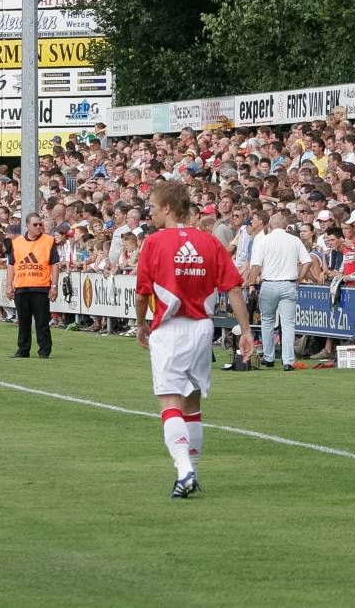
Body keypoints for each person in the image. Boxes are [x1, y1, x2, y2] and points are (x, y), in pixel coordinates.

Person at [135, 181, 254, 499]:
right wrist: (246, 331)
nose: (151, 212)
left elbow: (143, 291)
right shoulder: (209, 242)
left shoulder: (154, 242)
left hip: (170, 330)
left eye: (153, 206)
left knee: (170, 402)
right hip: (203, 328)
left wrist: (140, 324)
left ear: (167, 208)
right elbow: (234, 289)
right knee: (193, 404)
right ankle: (193, 472)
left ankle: (184, 470)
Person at [248, 211, 314, 371]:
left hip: (269, 284)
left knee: (267, 321)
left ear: (270, 225)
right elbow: (307, 262)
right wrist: (298, 278)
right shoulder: (294, 240)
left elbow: (256, 265)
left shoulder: (264, 240)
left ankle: (269, 357)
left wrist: (251, 283)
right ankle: (288, 361)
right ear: (285, 225)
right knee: (288, 324)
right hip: (288, 284)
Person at [5, 213, 60, 359]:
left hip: (40, 287)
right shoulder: (16, 242)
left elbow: (54, 264)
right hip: (21, 286)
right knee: (23, 321)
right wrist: (9, 285)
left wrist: (54, 285)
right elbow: (11, 265)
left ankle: (44, 350)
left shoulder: (48, 241)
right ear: (27, 226)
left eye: (40, 224)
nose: (38, 227)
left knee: (42, 322)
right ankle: (23, 349)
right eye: (35, 225)